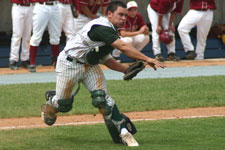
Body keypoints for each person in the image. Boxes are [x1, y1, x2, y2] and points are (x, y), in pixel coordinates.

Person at [41, 1, 165, 147]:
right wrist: (147, 58)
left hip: (90, 66)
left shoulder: (112, 30)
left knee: (102, 100)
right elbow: (123, 46)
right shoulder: (101, 27)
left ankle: (123, 133)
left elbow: (106, 60)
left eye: (125, 15)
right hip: (69, 64)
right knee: (63, 105)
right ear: (109, 14)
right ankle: (52, 100)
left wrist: (125, 69)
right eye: (120, 14)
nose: (124, 18)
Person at [28, 0, 61, 72]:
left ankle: (57, 62)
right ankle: (32, 63)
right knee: (36, 36)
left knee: (55, 36)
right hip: (41, 6)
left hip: (55, 6)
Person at [9, 0, 34, 70]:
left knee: (27, 35)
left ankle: (25, 59)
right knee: (17, 35)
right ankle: (13, 60)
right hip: (18, 7)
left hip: (30, 6)